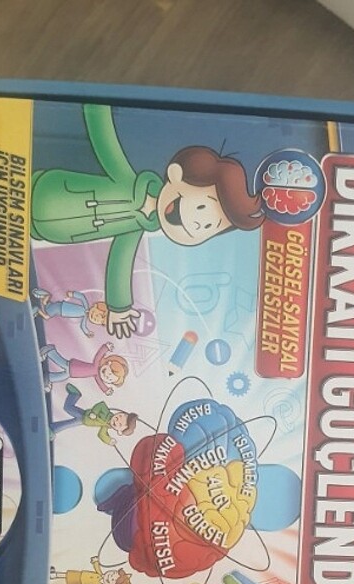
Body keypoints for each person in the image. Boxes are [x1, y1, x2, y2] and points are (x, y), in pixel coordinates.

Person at [30, 103, 264, 338]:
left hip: (36, 231)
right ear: (175, 174)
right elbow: (104, 140)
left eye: (208, 227)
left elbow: (120, 261)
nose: (195, 223)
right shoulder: (124, 177)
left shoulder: (132, 230)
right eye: (202, 207)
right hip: (35, 186)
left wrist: (118, 308)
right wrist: (95, 105)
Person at [49, 384, 138, 445]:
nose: (116, 420)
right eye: (119, 416)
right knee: (69, 418)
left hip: (84, 420)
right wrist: (94, 412)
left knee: (68, 410)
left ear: (119, 432)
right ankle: (52, 428)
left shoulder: (106, 426)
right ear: (120, 412)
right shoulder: (107, 413)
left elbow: (101, 434)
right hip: (84, 416)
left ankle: (74, 395)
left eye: (119, 424)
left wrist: (109, 440)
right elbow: (101, 405)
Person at [39, 340, 128, 395]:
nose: (106, 376)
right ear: (109, 363)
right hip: (74, 367)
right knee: (61, 363)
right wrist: (105, 348)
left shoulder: (97, 375)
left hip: (73, 373)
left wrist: (106, 389)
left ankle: (48, 377)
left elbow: (100, 382)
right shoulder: (96, 365)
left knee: (63, 375)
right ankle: (50, 351)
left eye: (109, 379)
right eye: (109, 373)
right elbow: (98, 356)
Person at [31, 288, 108, 337]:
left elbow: (83, 326)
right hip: (61, 308)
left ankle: (46, 296)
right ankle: (37, 310)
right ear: (95, 306)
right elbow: (82, 297)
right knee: (46, 316)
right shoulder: (85, 306)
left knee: (46, 305)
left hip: (60, 310)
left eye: (100, 322)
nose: (96, 318)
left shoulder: (84, 317)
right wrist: (73, 294)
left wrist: (87, 333)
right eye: (100, 315)